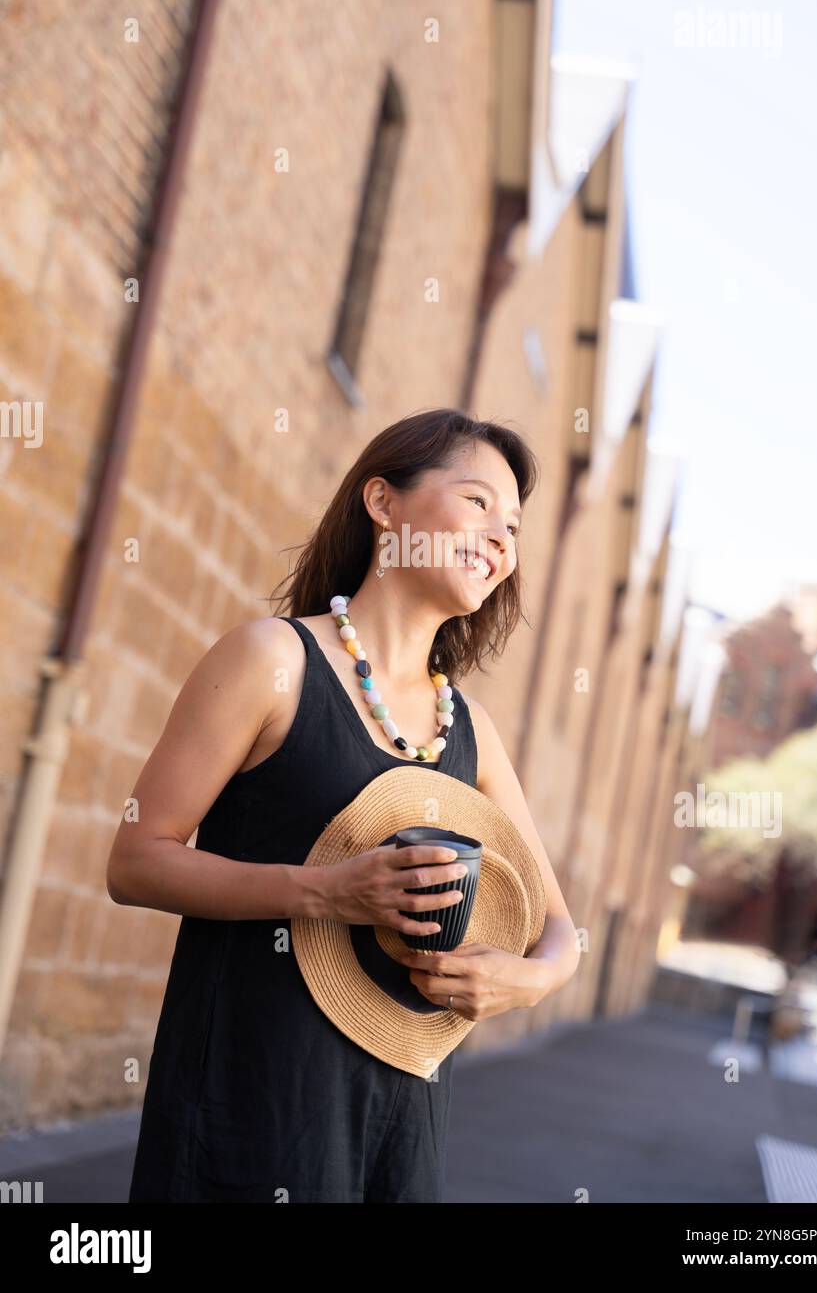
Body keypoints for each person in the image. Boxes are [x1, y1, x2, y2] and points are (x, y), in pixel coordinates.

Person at [108, 406, 579, 1203]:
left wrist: (527, 982)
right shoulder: (270, 660)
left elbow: (558, 928)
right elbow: (135, 860)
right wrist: (326, 890)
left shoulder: (471, 730)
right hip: (250, 1109)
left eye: (514, 525)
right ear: (382, 502)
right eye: (476, 502)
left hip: (406, 1124)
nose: (501, 536)